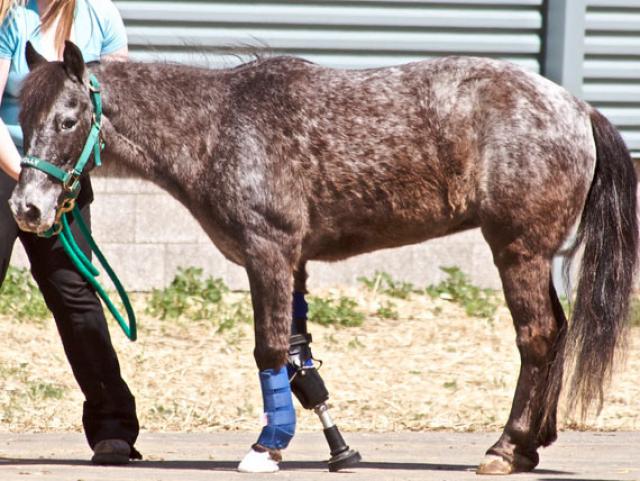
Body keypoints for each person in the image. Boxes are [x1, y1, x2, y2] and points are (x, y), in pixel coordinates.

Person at [0, 0, 140, 464]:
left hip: (63, 177)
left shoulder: (101, 16)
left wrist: (59, 181)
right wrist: (29, 179)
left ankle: (112, 426)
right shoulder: (12, 17)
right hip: (10, 165)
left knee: (76, 295)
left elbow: (113, 108)